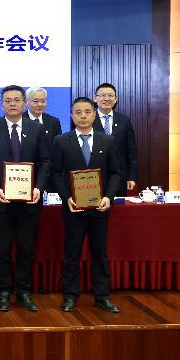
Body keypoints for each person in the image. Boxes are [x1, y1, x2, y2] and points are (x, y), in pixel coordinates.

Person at [0, 85, 51, 312]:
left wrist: (38, 187)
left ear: (24, 103)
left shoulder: (36, 128)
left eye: (16, 100)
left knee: (26, 249)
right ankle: (3, 293)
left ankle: (23, 292)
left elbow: (46, 161)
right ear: (1, 104)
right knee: (2, 249)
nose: (12, 104)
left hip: (29, 201)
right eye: (7, 100)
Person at [52, 96, 121, 313]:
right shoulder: (61, 141)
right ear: (71, 116)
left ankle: (102, 296)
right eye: (78, 112)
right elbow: (56, 173)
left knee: (99, 254)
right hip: (73, 208)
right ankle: (70, 296)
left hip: (100, 208)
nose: (83, 116)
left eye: (87, 112)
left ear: (94, 114)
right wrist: (66, 197)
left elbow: (115, 173)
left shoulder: (107, 141)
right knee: (72, 253)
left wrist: (108, 197)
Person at [92, 83, 138, 195]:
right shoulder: (88, 120)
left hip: (119, 176)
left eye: (110, 95)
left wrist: (131, 177)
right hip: (94, 177)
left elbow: (131, 151)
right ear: (95, 98)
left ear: (116, 99)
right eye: (102, 95)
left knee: (118, 206)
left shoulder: (124, 120)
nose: (106, 98)